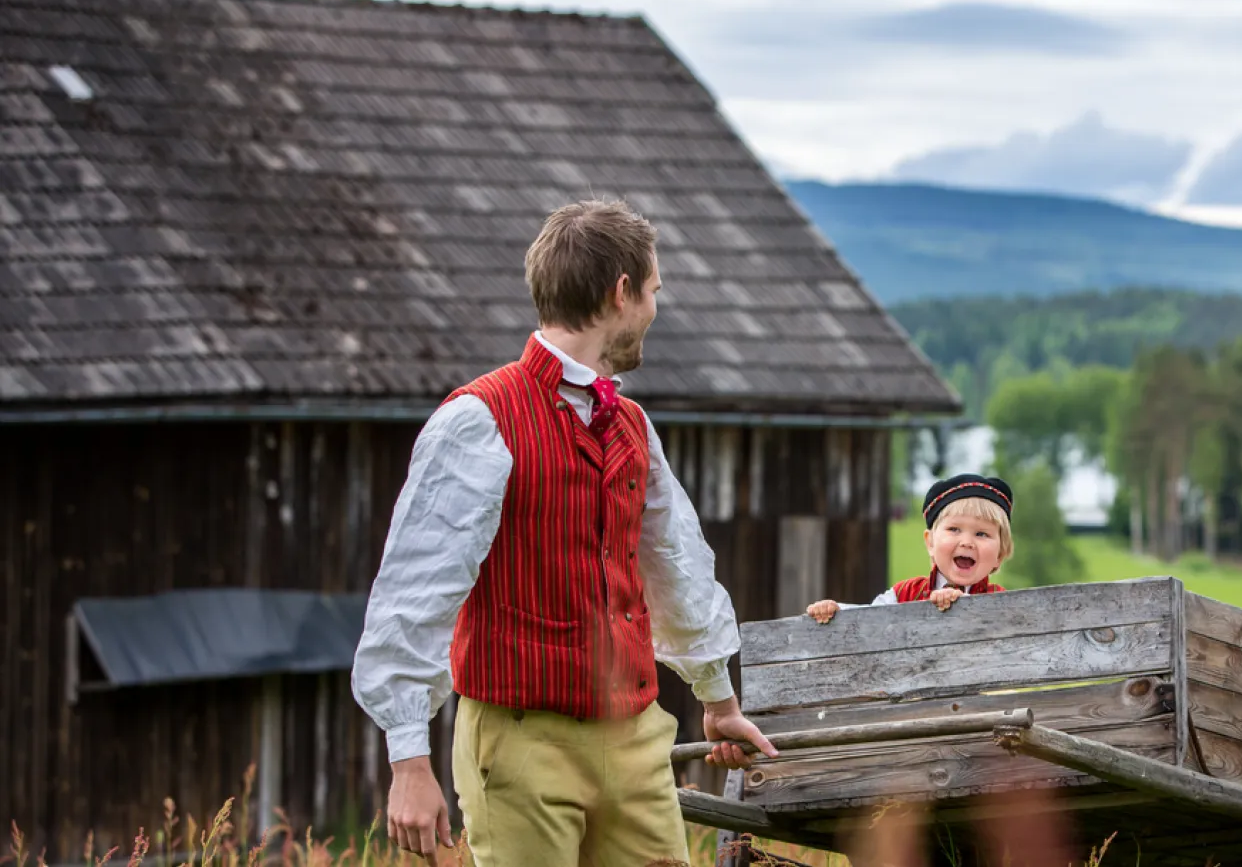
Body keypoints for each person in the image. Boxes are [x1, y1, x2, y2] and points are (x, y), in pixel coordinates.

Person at [350, 198, 777, 865]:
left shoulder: (632, 424)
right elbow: (415, 592)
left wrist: (717, 699)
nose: (656, 310)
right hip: (519, 741)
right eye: (654, 291)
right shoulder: (479, 420)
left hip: (634, 736)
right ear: (622, 292)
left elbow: (675, 566)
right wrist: (408, 759)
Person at [806, 474, 1014, 623]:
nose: (967, 542)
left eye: (981, 534)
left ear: (999, 555)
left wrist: (966, 607)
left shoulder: (1002, 601)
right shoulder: (906, 594)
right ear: (930, 543)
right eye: (954, 529)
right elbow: (870, 616)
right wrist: (837, 611)